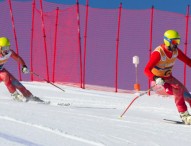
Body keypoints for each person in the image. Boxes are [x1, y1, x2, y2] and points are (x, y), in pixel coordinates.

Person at [144, 30, 191, 125]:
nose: (176, 45)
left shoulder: (175, 52)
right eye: (174, 42)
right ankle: (184, 115)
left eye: (177, 42)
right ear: (167, 41)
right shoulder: (159, 53)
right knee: (177, 88)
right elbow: (146, 70)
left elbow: (188, 61)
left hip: (169, 78)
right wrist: (155, 78)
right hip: (158, 82)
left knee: (188, 96)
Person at [0, 37, 41, 102]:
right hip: (2, 73)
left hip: (1, 70)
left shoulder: (9, 53)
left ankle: (30, 97)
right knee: (5, 75)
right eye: (4, 48)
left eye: (7, 48)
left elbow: (18, 58)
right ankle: (15, 95)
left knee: (16, 83)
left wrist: (24, 66)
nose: (6, 50)